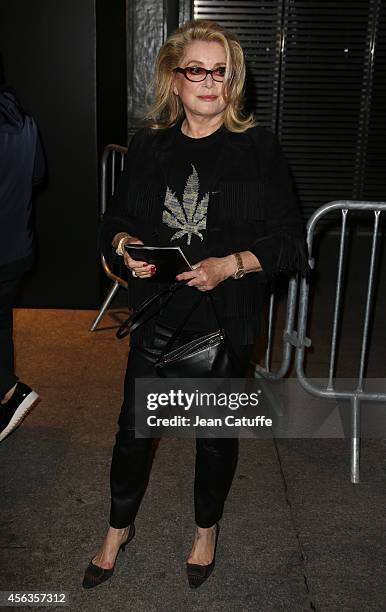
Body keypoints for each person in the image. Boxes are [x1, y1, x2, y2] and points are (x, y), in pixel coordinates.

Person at [83, 19, 307, 589]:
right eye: (196, 70)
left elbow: (287, 241)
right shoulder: (150, 145)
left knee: (213, 433)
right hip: (159, 309)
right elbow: (117, 219)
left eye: (221, 71)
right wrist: (123, 246)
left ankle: (206, 528)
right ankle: (117, 526)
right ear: (175, 79)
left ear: (233, 82)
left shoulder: (258, 148)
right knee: (135, 428)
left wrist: (228, 266)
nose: (209, 81)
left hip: (225, 314)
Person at [0, 67, 45, 443]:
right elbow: (36, 176)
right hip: (16, 249)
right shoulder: (24, 121)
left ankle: (9, 389)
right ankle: (5, 396)